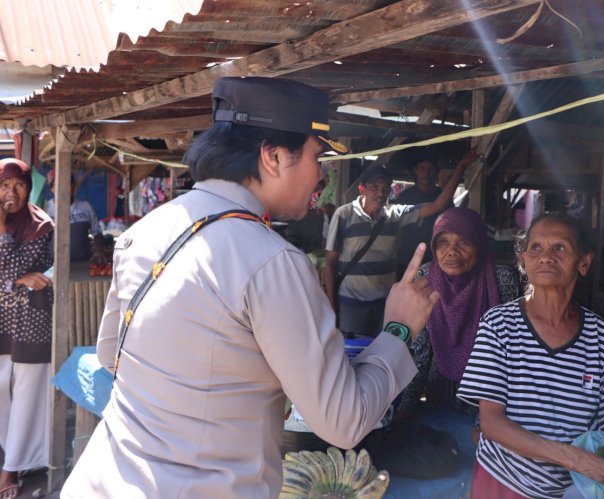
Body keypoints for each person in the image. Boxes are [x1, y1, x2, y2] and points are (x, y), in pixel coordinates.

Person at [61, 77, 439, 498]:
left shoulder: (145, 230)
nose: (322, 175)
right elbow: (343, 421)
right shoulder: (271, 261)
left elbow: (113, 355)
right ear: (274, 156)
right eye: (317, 156)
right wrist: (399, 330)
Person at [457, 213, 604, 498]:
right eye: (536, 248)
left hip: (574, 488)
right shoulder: (498, 325)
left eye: (560, 247)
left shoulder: (598, 333)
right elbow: (491, 423)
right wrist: (578, 460)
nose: (545, 256)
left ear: (584, 262)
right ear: (524, 261)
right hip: (506, 481)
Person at [325, 151, 477, 338]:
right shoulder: (343, 215)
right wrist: (331, 305)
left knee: (381, 353)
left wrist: (461, 166)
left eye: (385, 188)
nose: (380, 193)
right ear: (362, 189)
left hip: (385, 304)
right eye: (374, 187)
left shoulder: (394, 215)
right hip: (351, 305)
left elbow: (438, 204)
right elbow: (330, 264)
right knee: (350, 356)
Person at [397, 207, 519, 418]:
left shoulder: (501, 279)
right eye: (443, 242)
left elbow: (511, 351)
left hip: (488, 392)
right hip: (439, 384)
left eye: (463, 242)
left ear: (479, 244)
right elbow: (421, 350)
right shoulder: (426, 276)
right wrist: (405, 409)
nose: (451, 251)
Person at [0, 158, 54, 499]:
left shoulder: (40, 224)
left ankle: (11, 469)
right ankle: (10, 453)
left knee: (26, 398)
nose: (12, 192)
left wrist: (2, 227)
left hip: (32, 322)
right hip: (3, 322)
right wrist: (14, 281)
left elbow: (14, 263)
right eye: (4, 185)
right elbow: (13, 274)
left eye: (18, 185)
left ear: (28, 186)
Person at [396, 157, 442, 277]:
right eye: (422, 168)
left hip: (436, 258)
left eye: (430, 169)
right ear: (415, 171)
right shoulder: (405, 197)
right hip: (407, 258)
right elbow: (397, 229)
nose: (426, 173)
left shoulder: (442, 196)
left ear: (436, 172)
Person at [46, 172, 106, 263]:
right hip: (53, 265)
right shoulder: (45, 209)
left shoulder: (85, 207)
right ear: (52, 188)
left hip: (82, 262)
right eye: (57, 184)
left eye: (68, 183)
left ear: (73, 187)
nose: (64, 188)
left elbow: (97, 233)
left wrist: (98, 251)